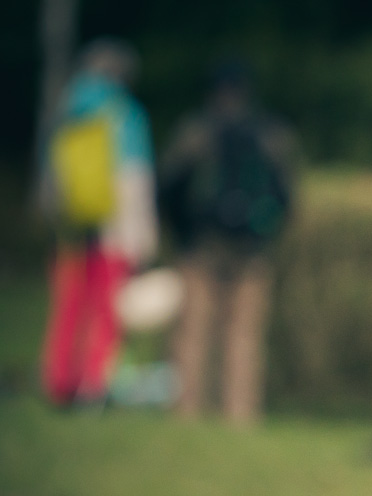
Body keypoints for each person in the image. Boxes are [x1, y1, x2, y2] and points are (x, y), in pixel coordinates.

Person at [158, 60, 297, 425]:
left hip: (202, 246)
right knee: (244, 336)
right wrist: (265, 232)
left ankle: (186, 411)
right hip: (252, 250)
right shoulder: (269, 134)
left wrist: (182, 236)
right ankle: (241, 414)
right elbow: (286, 195)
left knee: (193, 331)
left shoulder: (195, 132)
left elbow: (169, 187)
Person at [38, 38, 158, 408]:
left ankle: (59, 381)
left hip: (72, 228)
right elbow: (134, 180)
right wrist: (144, 237)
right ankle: (93, 386)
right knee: (105, 311)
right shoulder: (126, 115)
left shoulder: (68, 110)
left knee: (68, 307)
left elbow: (51, 176)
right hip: (114, 231)